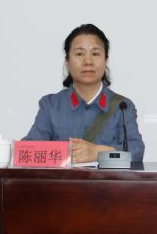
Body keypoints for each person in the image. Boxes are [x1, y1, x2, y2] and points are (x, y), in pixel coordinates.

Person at [23, 23, 145, 163]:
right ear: (67, 62)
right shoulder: (51, 105)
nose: (88, 61)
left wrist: (98, 152)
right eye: (79, 54)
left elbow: (136, 152)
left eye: (95, 53)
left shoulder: (122, 106)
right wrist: (67, 152)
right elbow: (29, 151)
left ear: (106, 60)